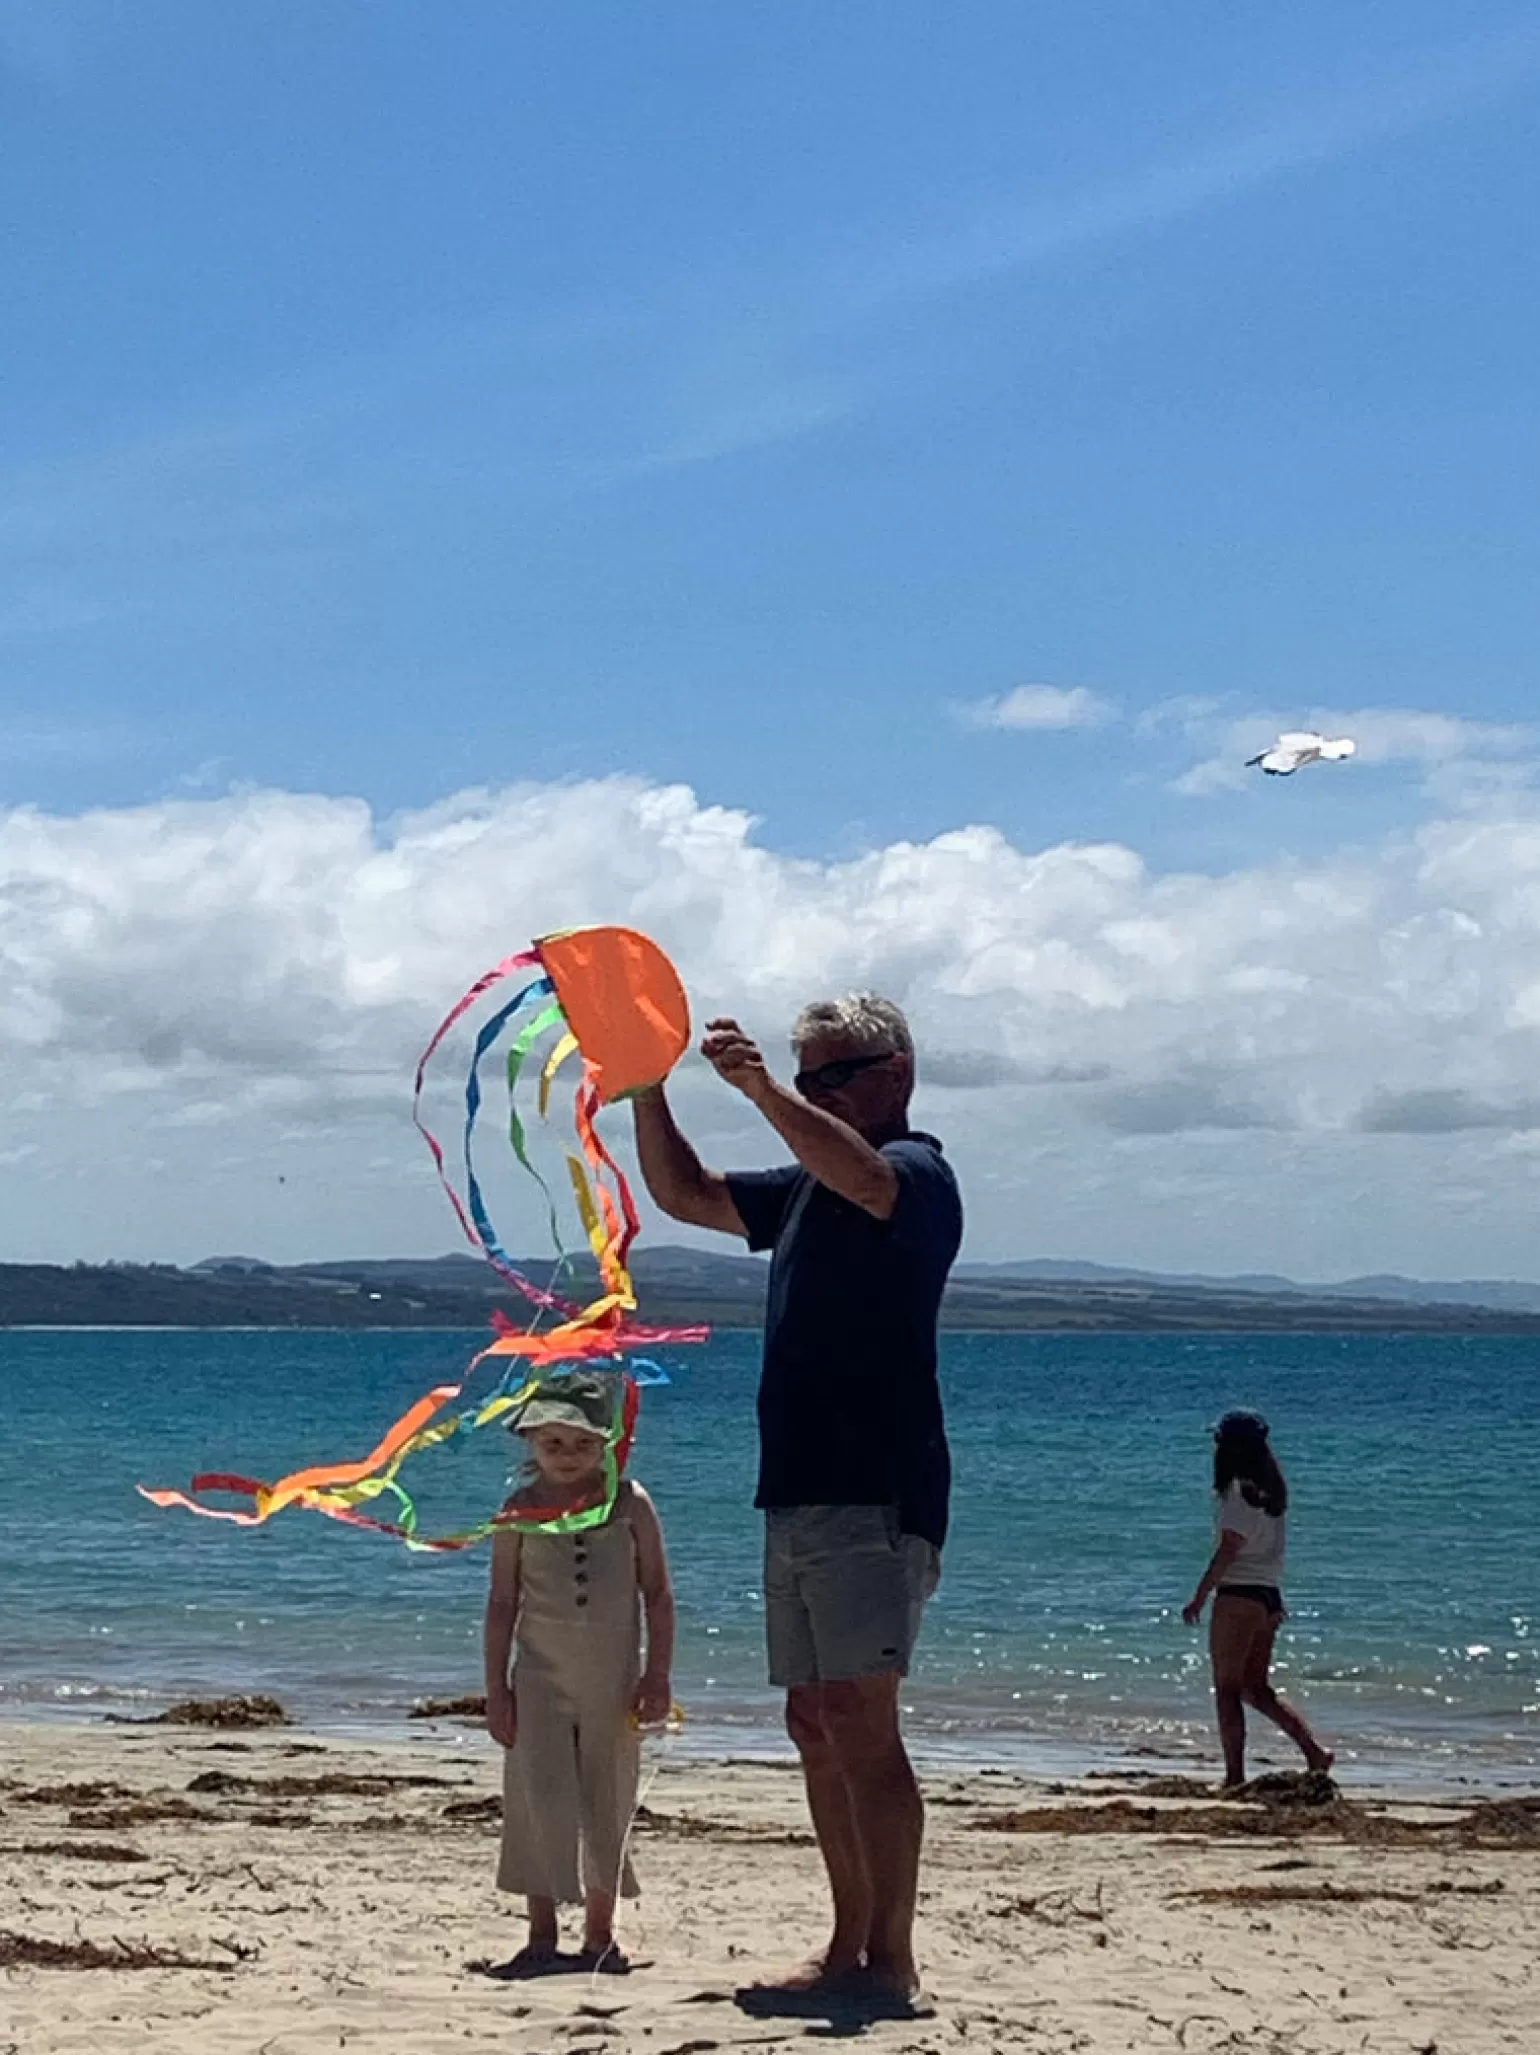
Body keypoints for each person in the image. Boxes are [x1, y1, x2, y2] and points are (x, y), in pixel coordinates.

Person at [631, 992, 963, 2008]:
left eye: (829, 1076)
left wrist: (761, 1088)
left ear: (893, 1076)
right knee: (815, 1719)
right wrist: (646, 1082)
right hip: (801, 1489)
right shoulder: (804, 1188)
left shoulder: (916, 1173)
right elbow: (684, 1193)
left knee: (863, 1718)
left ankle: (890, 1961)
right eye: (802, 1073)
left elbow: (862, 1178)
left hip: (875, 1490)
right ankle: (846, 1944)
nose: (809, 1090)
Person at [483, 1369, 675, 1975]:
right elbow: (501, 1604)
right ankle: (541, 1931)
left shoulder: (629, 1503)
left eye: (583, 1444)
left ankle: (601, 1931)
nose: (567, 1457)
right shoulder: (518, 1510)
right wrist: (496, 1690)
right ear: (531, 1443)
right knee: (538, 1795)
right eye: (553, 1444)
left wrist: (658, 1677)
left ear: (611, 1444)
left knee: (607, 1798)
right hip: (538, 1677)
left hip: (613, 1682)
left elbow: (659, 1596)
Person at [1182, 1408, 1333, 1790]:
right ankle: (1313, 1751)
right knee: (1256, 1687)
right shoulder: (1271, 1494)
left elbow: (1229, 1549)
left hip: (1239, 1595)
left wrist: (1199, 1596)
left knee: (1229, 1689)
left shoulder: (1236, 1493)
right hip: (1268, 1595)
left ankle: (1234, 1775)